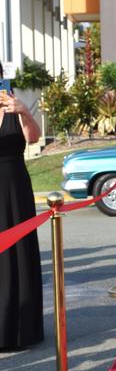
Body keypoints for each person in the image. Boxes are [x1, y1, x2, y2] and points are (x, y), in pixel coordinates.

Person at [0, 65, 44, 350]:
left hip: (16, 188)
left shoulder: (15, 105)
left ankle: (21, 327)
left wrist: (24, 111)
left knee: (18, 252)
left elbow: (33, 138)